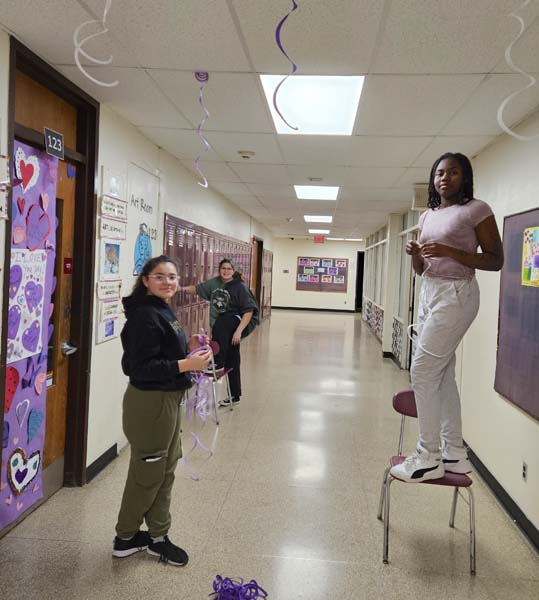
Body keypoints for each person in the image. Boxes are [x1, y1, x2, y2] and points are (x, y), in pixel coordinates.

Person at [390, 152, 503, 483]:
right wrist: (416, 255)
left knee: (423, 370)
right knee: (442, 374)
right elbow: (423, 269)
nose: (445, 178)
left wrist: (451, 252)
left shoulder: (476, 210)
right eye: (440, 173)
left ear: (464, 177)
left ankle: (428, 454)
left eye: (453, 172)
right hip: (430, 290)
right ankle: (454, 452)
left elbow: (496, 259)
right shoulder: (427, 216)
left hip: (457, 294)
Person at [112, 255, 211, 564]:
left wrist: (188, 346)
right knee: (148, 472)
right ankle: (126, 537)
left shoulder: (162, 309)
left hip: (168, 399)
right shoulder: (143, 316)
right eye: (160, 276)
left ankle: (157, 536)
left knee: (166, 468)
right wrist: (187, 364)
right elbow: (140, 367)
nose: (168, 282)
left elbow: (163, 351)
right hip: (150, 402)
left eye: (172, 276)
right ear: (145, 280)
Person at [182, 258, 258, 405]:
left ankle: (218, 362)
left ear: (233, 271)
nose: (226, 271)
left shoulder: (239, 286)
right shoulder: (215, 283)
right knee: (233, 359)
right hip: (224, 331)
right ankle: (234, 396)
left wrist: (238, 332)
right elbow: (198, 289)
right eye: (223, 268)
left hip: (235, 324)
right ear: (219, 269)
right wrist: (179, 289)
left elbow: (249, 311)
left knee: (222, 321)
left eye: (229, 268)